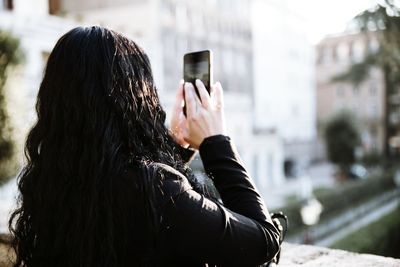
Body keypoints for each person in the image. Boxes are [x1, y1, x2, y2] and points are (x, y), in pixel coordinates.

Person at [9, 26, 280, 267]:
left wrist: (175, 145)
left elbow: (122, 184)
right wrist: (216, 142)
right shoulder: (153, 189)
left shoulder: (51, 179)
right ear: (133, 98)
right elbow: (264, 242)